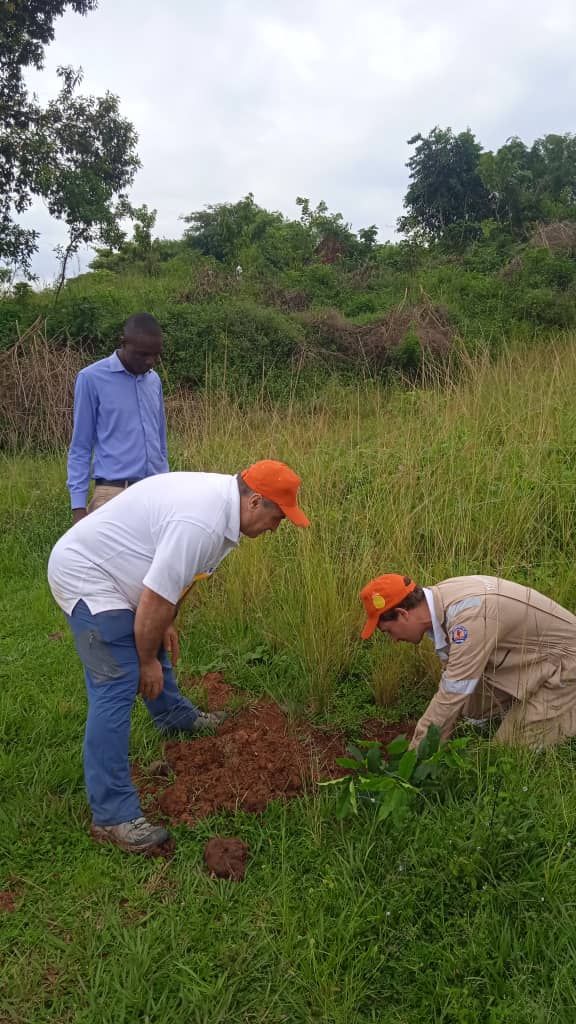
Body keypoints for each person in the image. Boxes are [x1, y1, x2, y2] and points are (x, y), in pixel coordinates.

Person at [48, 460, 310, 853]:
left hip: (120, 572)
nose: (276, 528)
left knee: (151, 630)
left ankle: (173, 716)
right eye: (278, 518)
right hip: (87, 574)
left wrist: (164, 619)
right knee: (118, 682)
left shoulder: (224, 510)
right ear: (255, 501)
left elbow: (174, 585)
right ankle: (112, 815)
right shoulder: (201, 522)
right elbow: (154, 598)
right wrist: (147, 659)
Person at [359, 572, 576, 750]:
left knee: (507, 751)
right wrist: (439, 732)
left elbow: (454, 689)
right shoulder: (439, 599)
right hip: (531, 657)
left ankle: (563, 706)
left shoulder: (469, 617)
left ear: (403, 614)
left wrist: (417, 751)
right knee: (472, 710)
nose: (395, 640)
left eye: (388, 631)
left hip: (566, 665)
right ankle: (524, 702)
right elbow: (455, 680)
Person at [67, 312, 169, 525]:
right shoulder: (91, 378)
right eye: (143, 354)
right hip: (113, 494)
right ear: (123, 343)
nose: (150, 361)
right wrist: (78, 509)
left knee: (155, 559)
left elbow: (160, 441)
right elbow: (80, 447)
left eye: (156, 355)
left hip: (157, 493)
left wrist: (166, 486)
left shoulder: (154, 380)